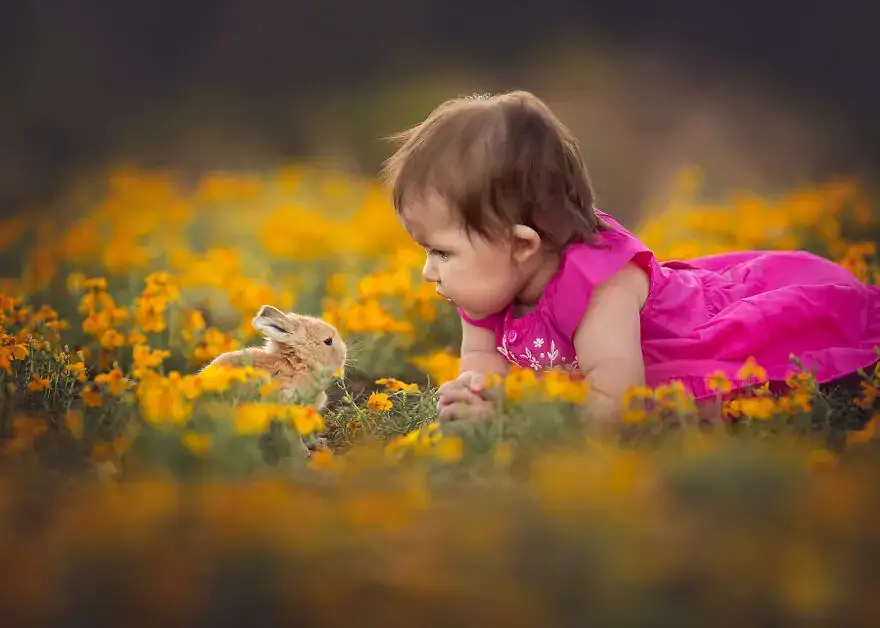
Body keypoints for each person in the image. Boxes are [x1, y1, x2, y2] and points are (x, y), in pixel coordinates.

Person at [380, 90, 880, 422]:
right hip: (602, 372)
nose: (429, 272)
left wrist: (525, 420)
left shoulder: (600, 289)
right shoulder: (488, 282)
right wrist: (479, 399)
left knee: (776, 353)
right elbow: (483, 361)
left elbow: (618, 406)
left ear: (521, 244)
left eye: (442, 252)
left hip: (683, 342)